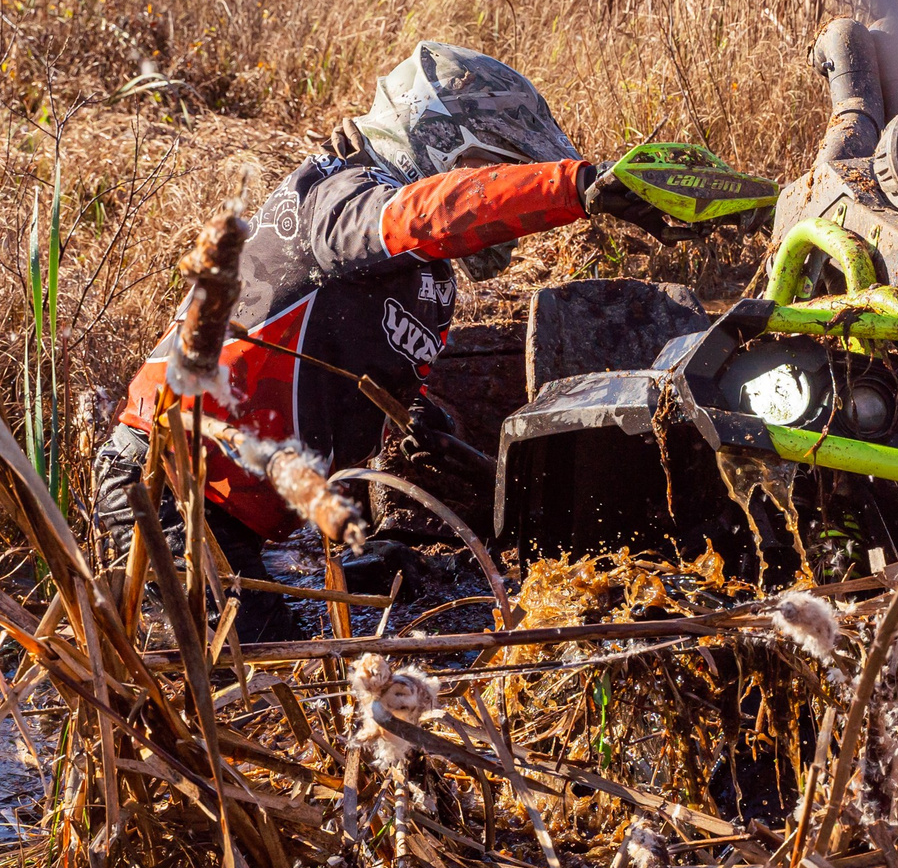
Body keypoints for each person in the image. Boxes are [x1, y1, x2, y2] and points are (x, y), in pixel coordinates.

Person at [94, 41, 676, 638]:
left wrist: (418, 421)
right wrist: (569, 188)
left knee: (339, 634)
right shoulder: (340, 194)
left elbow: (357, 352)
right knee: (264, 692)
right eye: (492, 169)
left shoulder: (428, 279)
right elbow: (418, 215)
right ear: (443, 145)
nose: (498, 188)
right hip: (165, 486)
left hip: (237, 511)